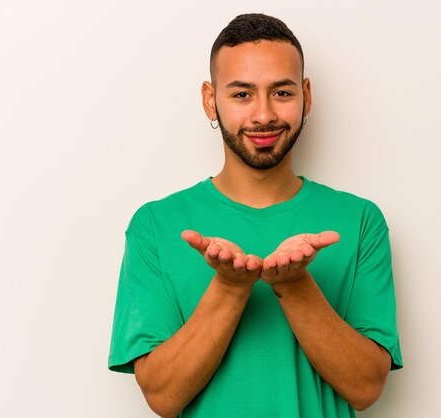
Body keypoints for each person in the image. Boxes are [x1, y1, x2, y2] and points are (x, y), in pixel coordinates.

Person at [108, 13, 403, 418]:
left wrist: (296, 286)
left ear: (306, 96)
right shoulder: (155, 226)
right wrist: (230, 287)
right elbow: (163, 396)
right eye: (242, 94)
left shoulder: (360, 220)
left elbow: (367, 387)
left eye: (282, 93)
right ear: (210, 100)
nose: (263, 115)